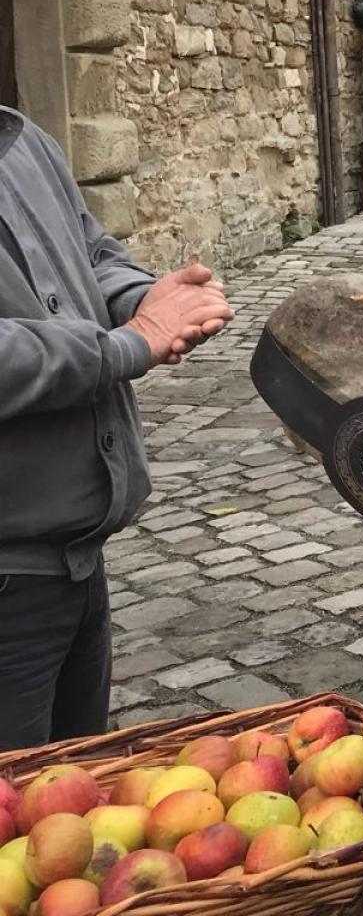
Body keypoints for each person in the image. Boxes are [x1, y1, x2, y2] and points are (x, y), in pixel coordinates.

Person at [0, 107, 234, 748]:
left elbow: (91, 252)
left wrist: (143, 297)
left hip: (75, 567)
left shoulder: (22, 139)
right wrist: (125, 346)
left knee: (71, 803)